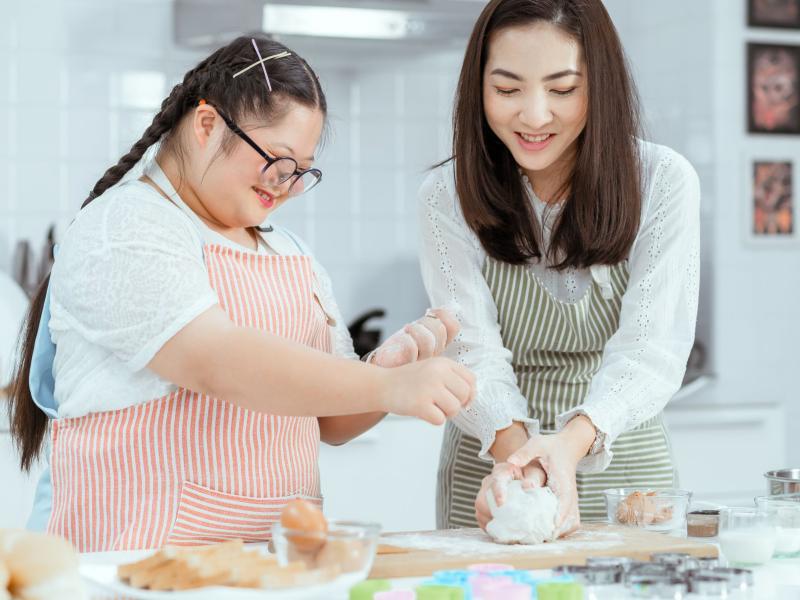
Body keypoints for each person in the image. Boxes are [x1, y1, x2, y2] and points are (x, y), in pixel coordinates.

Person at [8, 35, 475, 552]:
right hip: (132, 567)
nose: (287, 184)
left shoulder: (291, 253)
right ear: (207, 125)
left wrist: (389, 371)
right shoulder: (125, 226)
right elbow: (214, 359)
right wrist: (389, 388)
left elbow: (333, 422)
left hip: (268, 569)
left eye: (301, 170)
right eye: (277, 160)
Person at [418, 0, 700, 536]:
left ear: (602, 85)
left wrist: (567, 449)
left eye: (563, 89)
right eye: (506, 90)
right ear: (477, 89)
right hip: (495, 463)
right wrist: (520, 466)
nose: (535, 114)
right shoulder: (444, 196)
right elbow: (471, 349)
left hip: (624, 466)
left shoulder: (662, 181)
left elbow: (653, 349)